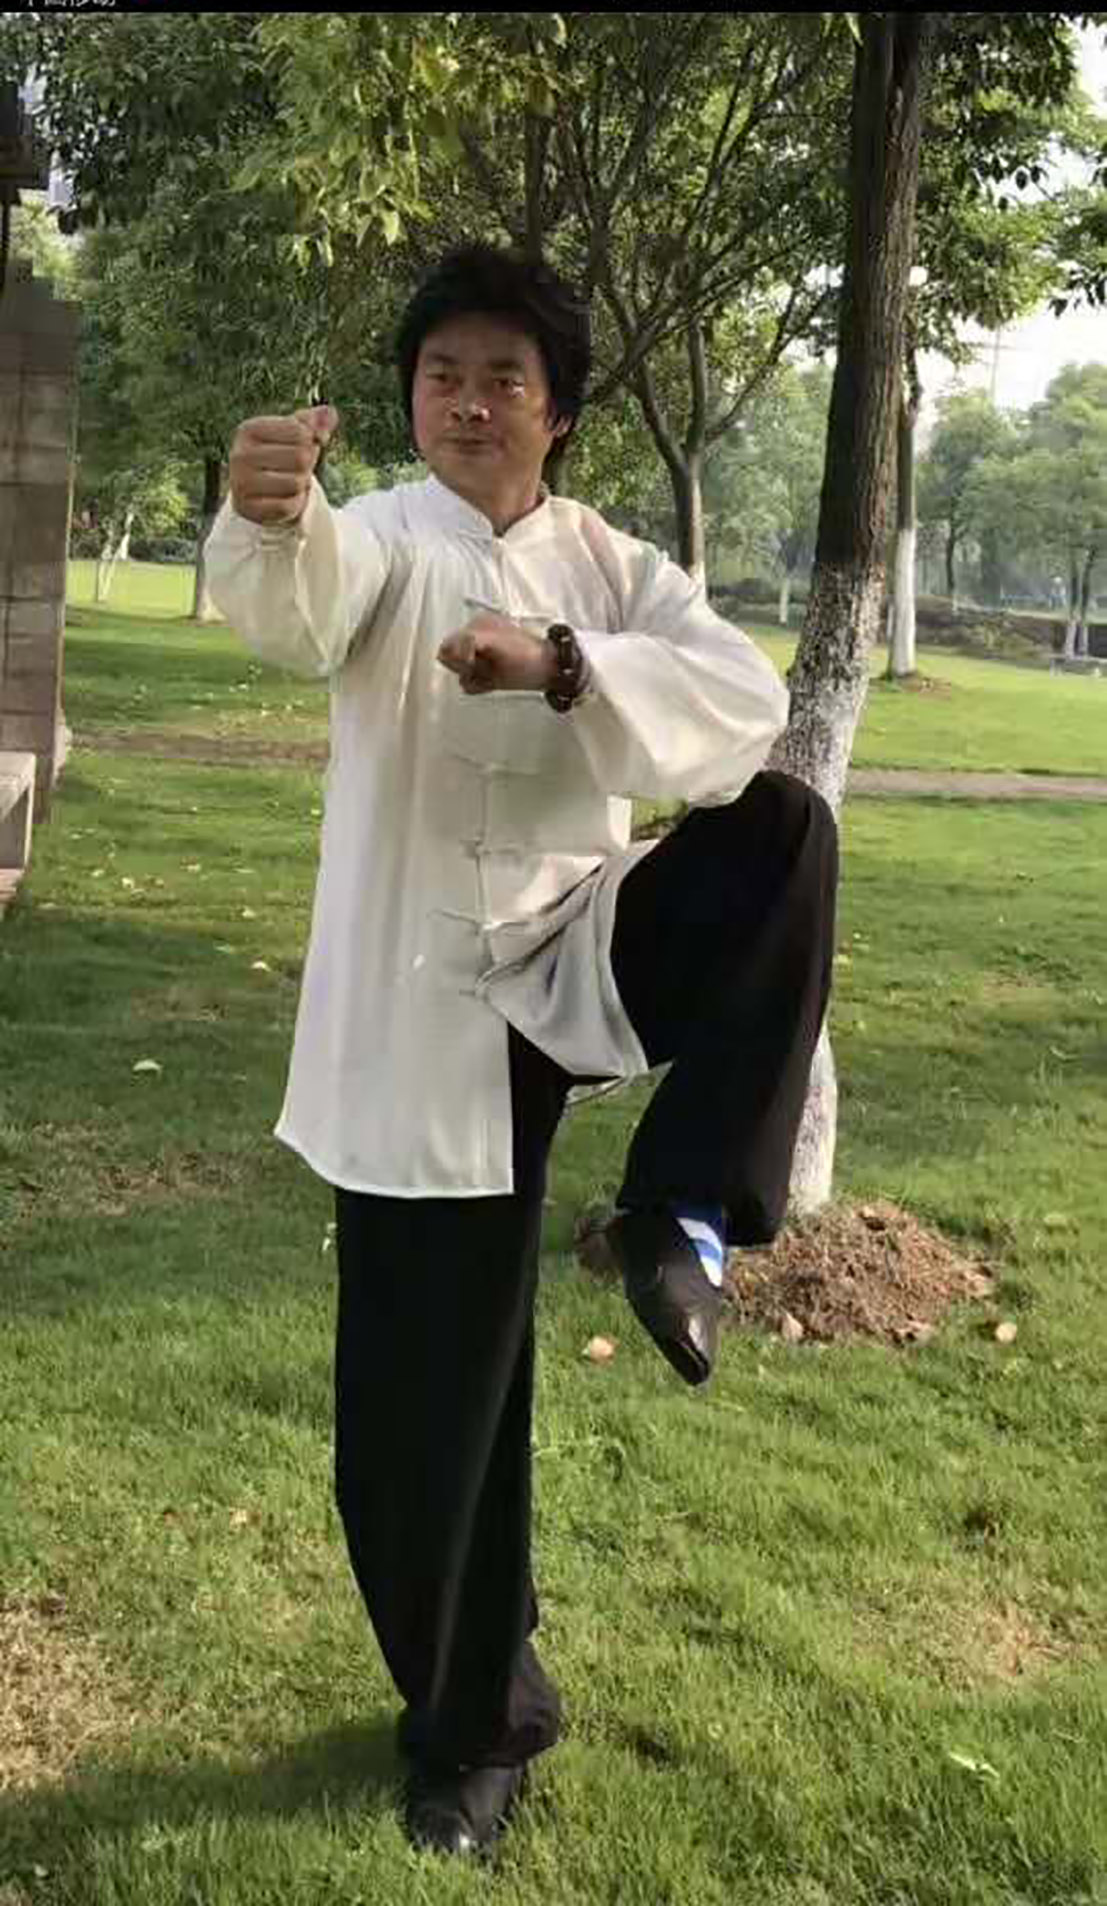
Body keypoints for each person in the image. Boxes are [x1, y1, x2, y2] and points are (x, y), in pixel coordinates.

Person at [205, 243, 838, 1861]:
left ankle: (681, 1210)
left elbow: (741, 708)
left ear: (558, 410)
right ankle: (484, 1701)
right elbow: (300, 602)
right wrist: (270, 512)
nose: (470, 402)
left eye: (505, 377)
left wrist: (564, 664)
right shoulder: (385, 537)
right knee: (420, 1426)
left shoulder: (611, 564)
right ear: (411, 399)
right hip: (422, 1016)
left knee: (784, 830)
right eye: (443, 374)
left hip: (572, 960)